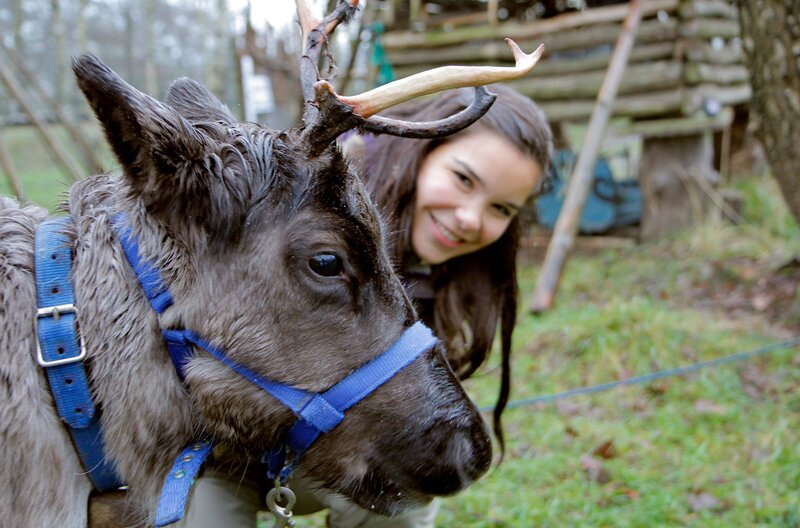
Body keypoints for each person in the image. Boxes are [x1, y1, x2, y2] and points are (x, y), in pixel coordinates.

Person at [179, 83, 553, 528]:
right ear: (421, 150)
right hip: (221, 456)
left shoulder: (457, 279)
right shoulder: (303, 214)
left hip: (339, 460)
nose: (471, 218)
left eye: (501, 208)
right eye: (464, 179)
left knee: (400, 500)